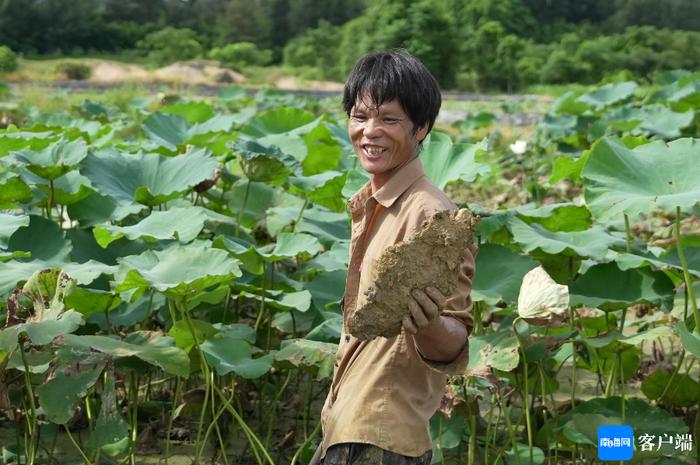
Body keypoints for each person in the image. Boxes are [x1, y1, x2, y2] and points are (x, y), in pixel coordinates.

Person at [310, 49, 477, 465]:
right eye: (360, 116)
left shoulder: (433, 216)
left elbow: (455, 339)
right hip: (347, 425)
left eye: (388, 119)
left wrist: (427, 323)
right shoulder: (374, 203)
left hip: (382, 437)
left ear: (421, 128)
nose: (370, 131)